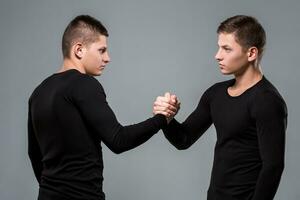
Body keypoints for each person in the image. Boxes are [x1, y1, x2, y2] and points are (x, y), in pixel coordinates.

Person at [27, 15, 179, 200]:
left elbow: (34, 154)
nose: (107, 58)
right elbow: (118, 140)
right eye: (102, 50)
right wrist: (162, 118)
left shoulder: (38, 92)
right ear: (79, 50)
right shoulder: (83, 84)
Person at [154, 15, 288, 200]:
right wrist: (165, 117)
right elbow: (183, 139)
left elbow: (273, 167)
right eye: (219, 47)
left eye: (226, 49)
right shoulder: (215, 94)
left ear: (251, 53)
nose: (217, 55)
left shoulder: (267, 101)